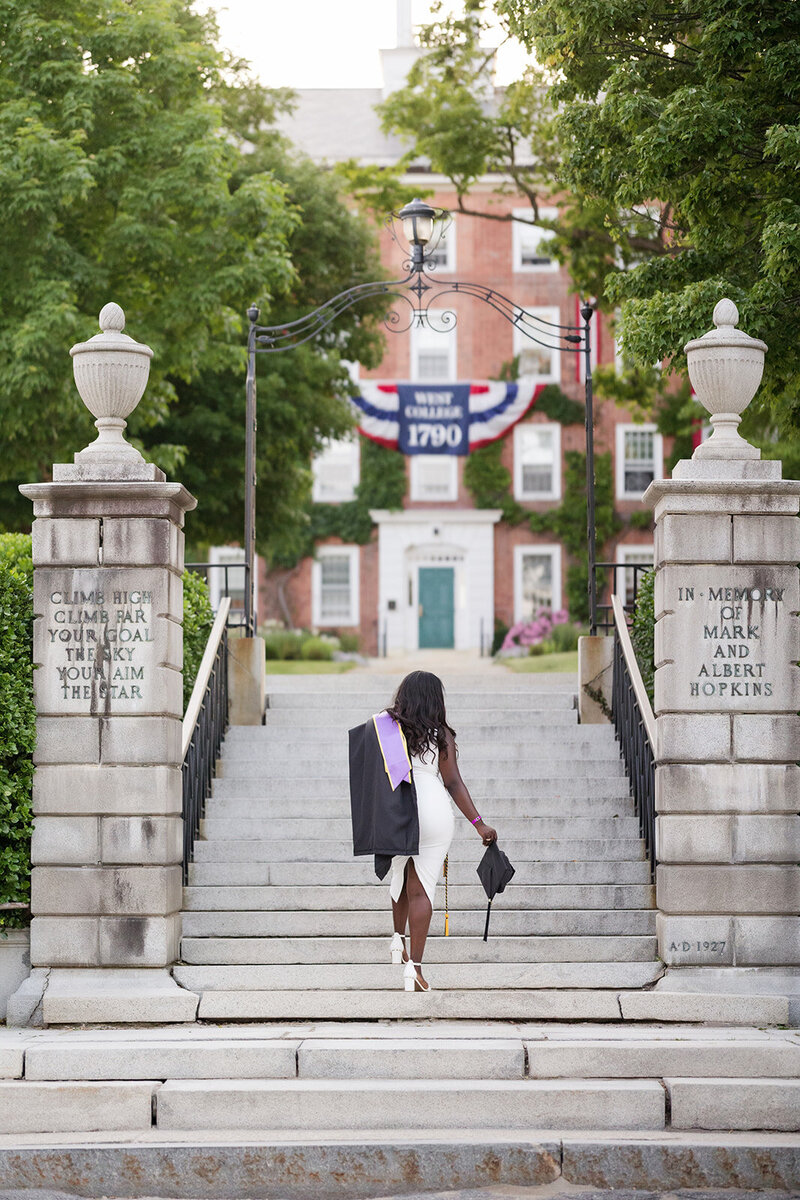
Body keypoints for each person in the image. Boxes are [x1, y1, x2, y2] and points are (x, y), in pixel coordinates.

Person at [385, 670, 497, 992]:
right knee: (421, 888)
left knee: (401, 874)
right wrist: (479, 824)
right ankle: (414, 970)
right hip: (433, 809)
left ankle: (397, 939)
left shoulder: (389, 730)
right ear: (436, 699)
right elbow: (453, 783)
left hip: (398, 808)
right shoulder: (441, 735)